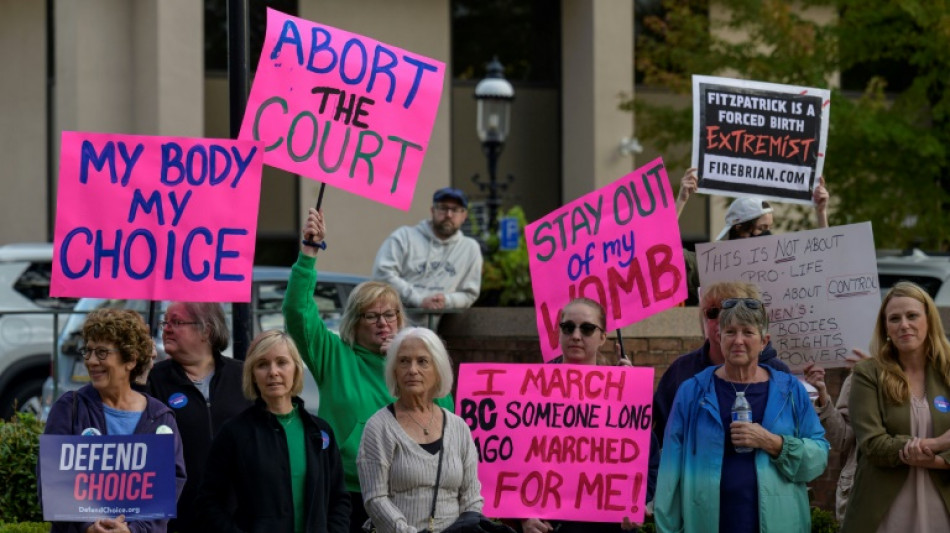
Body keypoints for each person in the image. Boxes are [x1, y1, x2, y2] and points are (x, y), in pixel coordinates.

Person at [284, 208, 455, 533]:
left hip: (410, 494)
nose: (383, 323)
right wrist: (308, 252)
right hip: (349, 491)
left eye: (390, 315)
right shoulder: (335, 355)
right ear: (354, 323)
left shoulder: (419, 364)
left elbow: (445, 422)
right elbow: (297, 311)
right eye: (371, 316)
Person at [654, 297, 828, 533]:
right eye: (730, 332)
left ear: (764, 341)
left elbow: (818, 458)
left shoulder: (790, 390)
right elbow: (670, 471)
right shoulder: (692, 391)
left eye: (748, 332)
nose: (738, 340)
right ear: (719, 338)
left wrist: (773, 442)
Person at [42, 309, 186, 533]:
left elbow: (166, 492)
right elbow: (51, 483)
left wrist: (133, 530)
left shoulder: (160, 419)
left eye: (101, 353)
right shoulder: (69, 408)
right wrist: (88, 526)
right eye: (87, 351)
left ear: (130, 359)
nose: (90, 361)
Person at [520, 298, 654, 533]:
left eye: (587, 328)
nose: (576, 335)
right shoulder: (531, 389)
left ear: (603, 336)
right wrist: (522, 516)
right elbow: (511, 461)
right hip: (550, 526)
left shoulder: (624, 392)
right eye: (568, 327)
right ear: (559, 332)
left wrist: (638, 502)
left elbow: (650, 463)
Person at [197, 330, 350, 533]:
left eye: (282, 362)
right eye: (262, 364)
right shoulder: (234, 432)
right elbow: (209, 501)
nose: (273, 372)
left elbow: (339, 498)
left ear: (296, 369)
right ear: (252, 374)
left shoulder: (320, 431)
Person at [842, 281, 950, 532]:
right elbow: (873, 445)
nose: (904, 325)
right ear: (885, 328)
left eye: (912, 315)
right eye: (894, 318)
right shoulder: (868, 373)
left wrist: (936, 462)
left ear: (929, 320)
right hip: (883, 513)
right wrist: (937, 444)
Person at [358, 327, 482, 533]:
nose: (412, 369)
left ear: (438, 369)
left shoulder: (459, 427)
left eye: (422, 361)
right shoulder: (379, 427)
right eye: (404, 361)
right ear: (394, 370)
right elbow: (375, 498)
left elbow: (472, 497)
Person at [147, 302, 251, 533]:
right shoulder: (153, 379)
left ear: (207, 330)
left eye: (177, 322)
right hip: (177, 517)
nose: (167, 328)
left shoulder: (243, 375)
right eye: (166, 322)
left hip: (236, 517)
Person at [652, 281, 790, 448]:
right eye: (712, 312)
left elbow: (798, 443)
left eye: (731, 311)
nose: (721, 319)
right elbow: (657, 435)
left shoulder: (777, 372)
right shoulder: (682, 370)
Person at [372, 187, 483, 326]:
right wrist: (419, 300)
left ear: (464, 215)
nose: (448, 214)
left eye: (455, 209)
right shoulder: (404, 237)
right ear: (432, 210)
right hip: (395, 328)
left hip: (439, 335)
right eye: (443, 208)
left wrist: (446, 301)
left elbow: (470, 293)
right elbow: (381, 274)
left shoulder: (470, 249)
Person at [803, 349, 870, 524]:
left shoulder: (935, 374)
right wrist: (822, 395)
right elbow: (843, 438)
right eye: (893, 320)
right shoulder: (858, 375)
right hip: (862, 491)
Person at [675, 167, 830, 234]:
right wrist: (681, 200)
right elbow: (657, 250)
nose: (766, 234)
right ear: (739, 229)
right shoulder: (711, 264)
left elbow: (826, 261)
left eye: (768, 228)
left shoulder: (781, 263)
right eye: (762, 228)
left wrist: (821, 213)